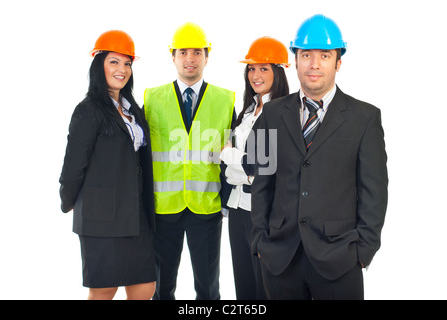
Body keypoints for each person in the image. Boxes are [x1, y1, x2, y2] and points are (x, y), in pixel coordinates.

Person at [251, 14, 388, 300]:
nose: (314, 64)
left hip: (340, 259)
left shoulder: (365, 118)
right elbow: (261, 181)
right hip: (280, 258)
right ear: (296, 61)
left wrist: (363, 251)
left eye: (324, 56)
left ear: (338, 62)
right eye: (306, 55)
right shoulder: (272, 113)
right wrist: (260, 242)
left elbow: (374, 191)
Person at [59, 30, 157, 300]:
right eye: (114, 61)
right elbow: (73, 165)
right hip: (101, 218)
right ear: (98, 64)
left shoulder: (131, 108)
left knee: (145, 287)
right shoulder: (88, 110)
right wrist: (68, 201)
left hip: (136, 214)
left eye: (127, 63)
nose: (122, 70)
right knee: (104, 290)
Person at [143, 22, 235, 300]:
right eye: (183, 52)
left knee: (208, 288)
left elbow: (235, 155)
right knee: (161, 287)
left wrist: (226, 202)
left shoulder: (225, 100)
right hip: (163, 208)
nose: (190, 58)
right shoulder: (151, 99)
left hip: (206, 209)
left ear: (207, 56)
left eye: (197, 52)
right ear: (172, 56)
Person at [219, 36, 289, 300]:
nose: (255, 75)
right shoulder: (249, 109)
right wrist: (240, 165)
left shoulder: (283, 110)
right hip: (237, 209)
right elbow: (247, 167)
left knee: (265, 286)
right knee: (244, 285)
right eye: (251, 68)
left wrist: (228, 154)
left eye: (264, 68)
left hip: (264, 211)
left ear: (278, 72)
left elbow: (261, 166)